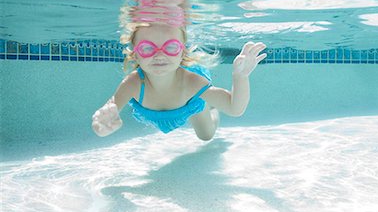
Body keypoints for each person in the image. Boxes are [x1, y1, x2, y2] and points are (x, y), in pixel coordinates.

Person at [91, 22, 267, 141]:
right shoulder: (133, 83)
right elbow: (108, 111)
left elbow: (234, 108)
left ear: (183, 52)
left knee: (206, 136)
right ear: (135, 54)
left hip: (190, 102)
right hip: (172, 104)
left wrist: (241, 77)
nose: (159, 54)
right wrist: (101, 126)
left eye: (171, 47)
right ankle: (209, 100)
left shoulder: (192, 83)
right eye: (147, 48)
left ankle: (209, 106)